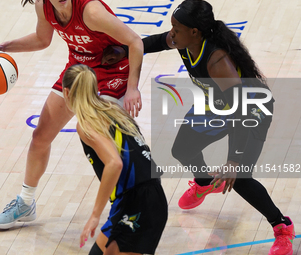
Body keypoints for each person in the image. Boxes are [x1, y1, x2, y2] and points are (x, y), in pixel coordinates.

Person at [106, 0, 295, 254]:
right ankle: (205, 182)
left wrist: (232, 161)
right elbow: (155, 42)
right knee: (182, 149)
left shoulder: (217, 61)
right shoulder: (183, 40)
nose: (171, 33)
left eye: (176, 29)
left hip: (250, 112)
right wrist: (124, 50)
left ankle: (282, 226)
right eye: (172, 27)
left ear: (195, 32)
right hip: (218, 105)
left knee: (238, 178)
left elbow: (240, 111)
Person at [0, 0, 144, 229]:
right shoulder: (44, 7)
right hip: (78, 70)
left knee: (104, 143)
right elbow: (41, 39)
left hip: (112, 72)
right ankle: (25, 203)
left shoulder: (91, 10)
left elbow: (135, 41)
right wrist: (3, 47)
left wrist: (133, 87)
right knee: (40, 137)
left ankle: (132, 205)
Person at [62, 64, 167, 254]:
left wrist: (95, 215)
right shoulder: (113, 109)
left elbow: (114, 163)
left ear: (66, 92)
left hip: (136, 201)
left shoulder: (86, 123)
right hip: (152, 195)